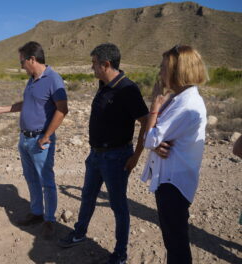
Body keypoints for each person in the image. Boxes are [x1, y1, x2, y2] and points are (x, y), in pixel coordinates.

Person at [58, 43, 149, 264]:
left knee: (118, 206)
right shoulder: (104, 84)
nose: (92, 68)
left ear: (106, 64)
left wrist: (136, 155)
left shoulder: (128, 89)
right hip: (96, 156)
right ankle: (80, 233)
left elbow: (146, 122)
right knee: (87, 196)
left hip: (117, 158)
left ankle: (120, 254)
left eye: (94, 63)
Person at [0, 41, 68, 239]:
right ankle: (37, 212)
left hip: (41, 140)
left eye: (22, 61)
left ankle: (50, 220)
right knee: (31, 178)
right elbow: (28, 103)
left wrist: (47, 136)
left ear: (32, 59)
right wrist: (5, 109)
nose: (21, 65)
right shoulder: (32, 80)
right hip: (24, 138)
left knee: (46, 181)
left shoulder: (53, 79)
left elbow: (62, 108)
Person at [140, 45, 208, 264]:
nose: (160, 72)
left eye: (163, 67)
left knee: (176, 243)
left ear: (177, 70)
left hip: (174, 183)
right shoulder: (179, 98)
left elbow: (150, 138)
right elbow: (154, 138)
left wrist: (154, 108)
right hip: (172, 179)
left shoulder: (185, 103)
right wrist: (153, 142)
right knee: (174, 240)